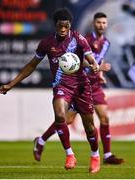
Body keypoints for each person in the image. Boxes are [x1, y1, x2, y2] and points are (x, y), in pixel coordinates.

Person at [0, 8, 101, 173]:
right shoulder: (46, 43)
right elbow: (32, 65)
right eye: (60, 26)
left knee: (89, 126)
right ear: (55, 25)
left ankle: (95, 155)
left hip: (81, 86)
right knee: (60, 115)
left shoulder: (79, 39)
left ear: (70, 26)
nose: (62, 30)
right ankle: (69, 154)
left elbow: (90, 58)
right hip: (62, 86)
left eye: (66, 26)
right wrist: (11, 84)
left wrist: (94, 64)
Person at [33, 12, 124, 165]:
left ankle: (107, 155)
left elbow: (97, 61)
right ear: (94, 23)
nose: (101, 25)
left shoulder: (106, 43)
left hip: (95, 85)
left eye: (104, 23)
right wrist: (95, 66)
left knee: (104, 117)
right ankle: (41, 140)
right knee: (66, 119)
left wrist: (99, 71)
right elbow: (74, 61)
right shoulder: (83, 39)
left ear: (106, 25)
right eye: (98, 22)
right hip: (78, 84)